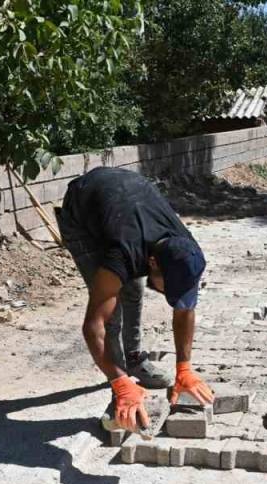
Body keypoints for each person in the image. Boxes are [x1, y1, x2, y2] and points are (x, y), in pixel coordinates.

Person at [56, 167, 214, 431]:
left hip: (129, 203)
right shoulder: (124, 252)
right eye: (168, 287)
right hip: (83, 210)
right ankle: (120, 392)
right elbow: (94, 326)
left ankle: (134, 360)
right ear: (152, 262)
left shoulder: (187, 251)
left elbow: (185, 309)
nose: (168, 294)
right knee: (113, 310)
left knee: (135, 289)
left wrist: (183, 368)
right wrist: (121, 384)